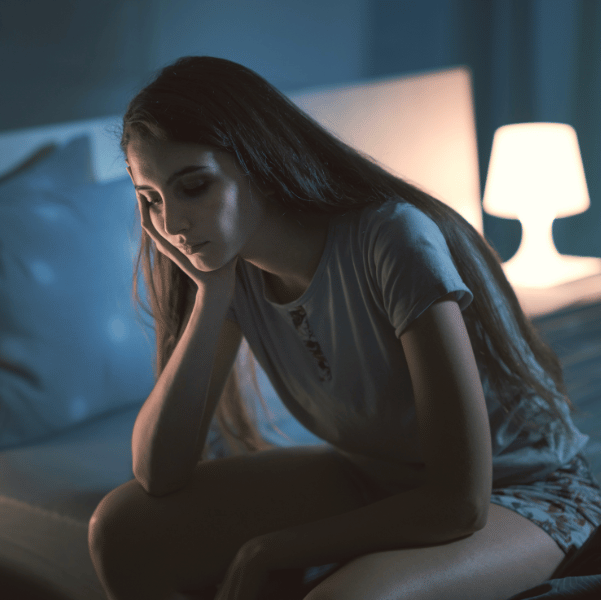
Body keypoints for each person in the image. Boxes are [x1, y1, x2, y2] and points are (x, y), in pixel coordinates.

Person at [87, 56, 601, 600]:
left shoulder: (392, 238)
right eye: (151, 200)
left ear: (257, 160)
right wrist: (212, 296)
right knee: (121, 529)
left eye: (194, 186)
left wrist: (275, 546)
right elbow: (157, 474)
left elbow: (459, 503)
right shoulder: (229, 270)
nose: (171, 224)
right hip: (374, 475)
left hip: (522, 492)